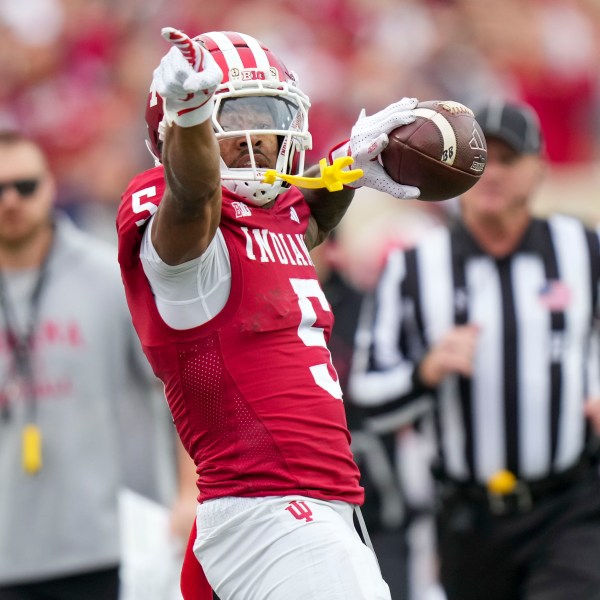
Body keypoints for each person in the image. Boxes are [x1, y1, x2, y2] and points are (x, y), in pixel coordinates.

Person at [116, 26, 422, 600]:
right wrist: (187, 119)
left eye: (268, 115)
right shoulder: (184, 233)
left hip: (304, 508)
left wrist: (347, 166)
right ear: (184, 122)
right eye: (232, 119)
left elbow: (301, 220)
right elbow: (193, 201)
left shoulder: (272, 215)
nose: (255, 139)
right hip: (270, 511)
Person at [349, 99, 600, 600]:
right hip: (467, 517)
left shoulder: (583, 249)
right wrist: (426, 372)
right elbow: (364, 398)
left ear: (539, 170)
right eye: (480, 160)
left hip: (569, 505)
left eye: (509, 160)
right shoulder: (414, 268)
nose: (494, 174)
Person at [0, 131, 187, 600]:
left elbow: (180, 386)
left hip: (107, 545)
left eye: (24, 186)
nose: (11, 201)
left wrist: (192, 492)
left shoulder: (110, 277)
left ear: (50, 186)